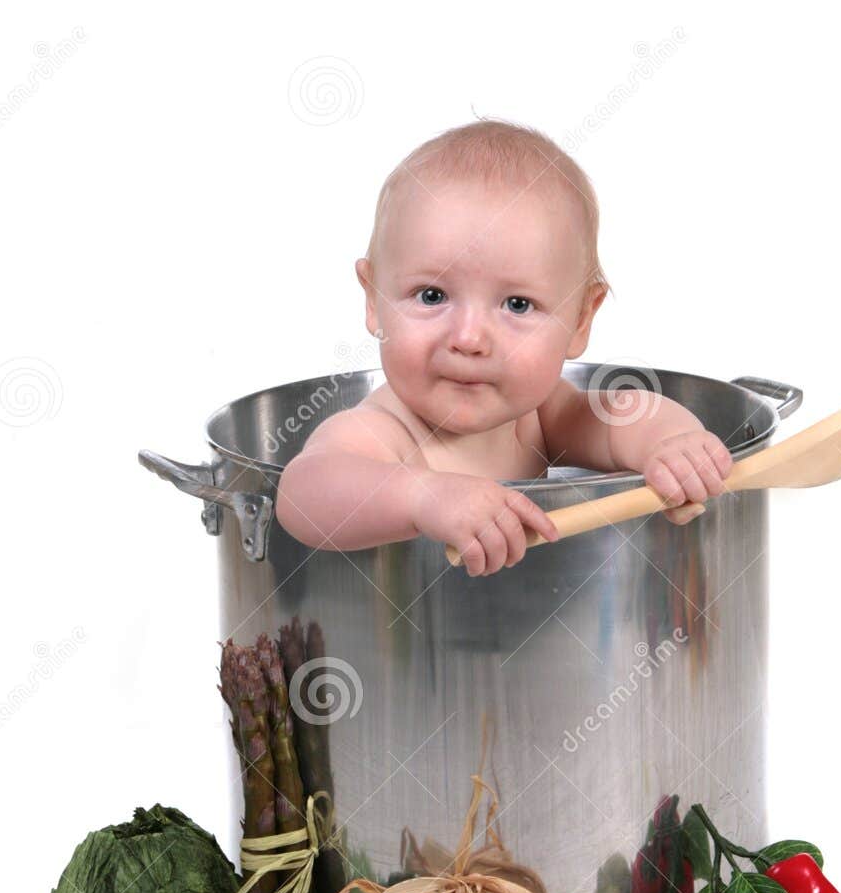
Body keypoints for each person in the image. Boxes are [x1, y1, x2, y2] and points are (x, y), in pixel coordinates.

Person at [277, 119, 732, 576]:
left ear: (580, 320)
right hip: (405, 642)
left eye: (517, 305)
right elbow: (304, 493)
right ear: (373, 299)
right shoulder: (383, 430)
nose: (470, 339)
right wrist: (422, 495)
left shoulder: (541, 414)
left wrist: (673, 444)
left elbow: (622, 416)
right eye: (432, 296)